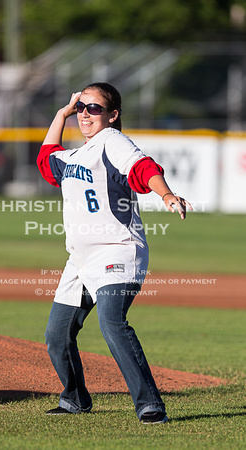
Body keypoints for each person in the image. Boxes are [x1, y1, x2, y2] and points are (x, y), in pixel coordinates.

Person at [37, 82, 192, 424]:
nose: (85, 114)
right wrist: (61, 113)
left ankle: (149, 404)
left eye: (94, 108)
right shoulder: (77, 154)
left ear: (112, 115)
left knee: (111, 322)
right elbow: (47, 161)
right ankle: (74, 400)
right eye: (82, 108)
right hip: (79, 261)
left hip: (117, 252)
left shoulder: (112, 141)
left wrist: (166, 195)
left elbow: (143, 169)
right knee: (56, 336)